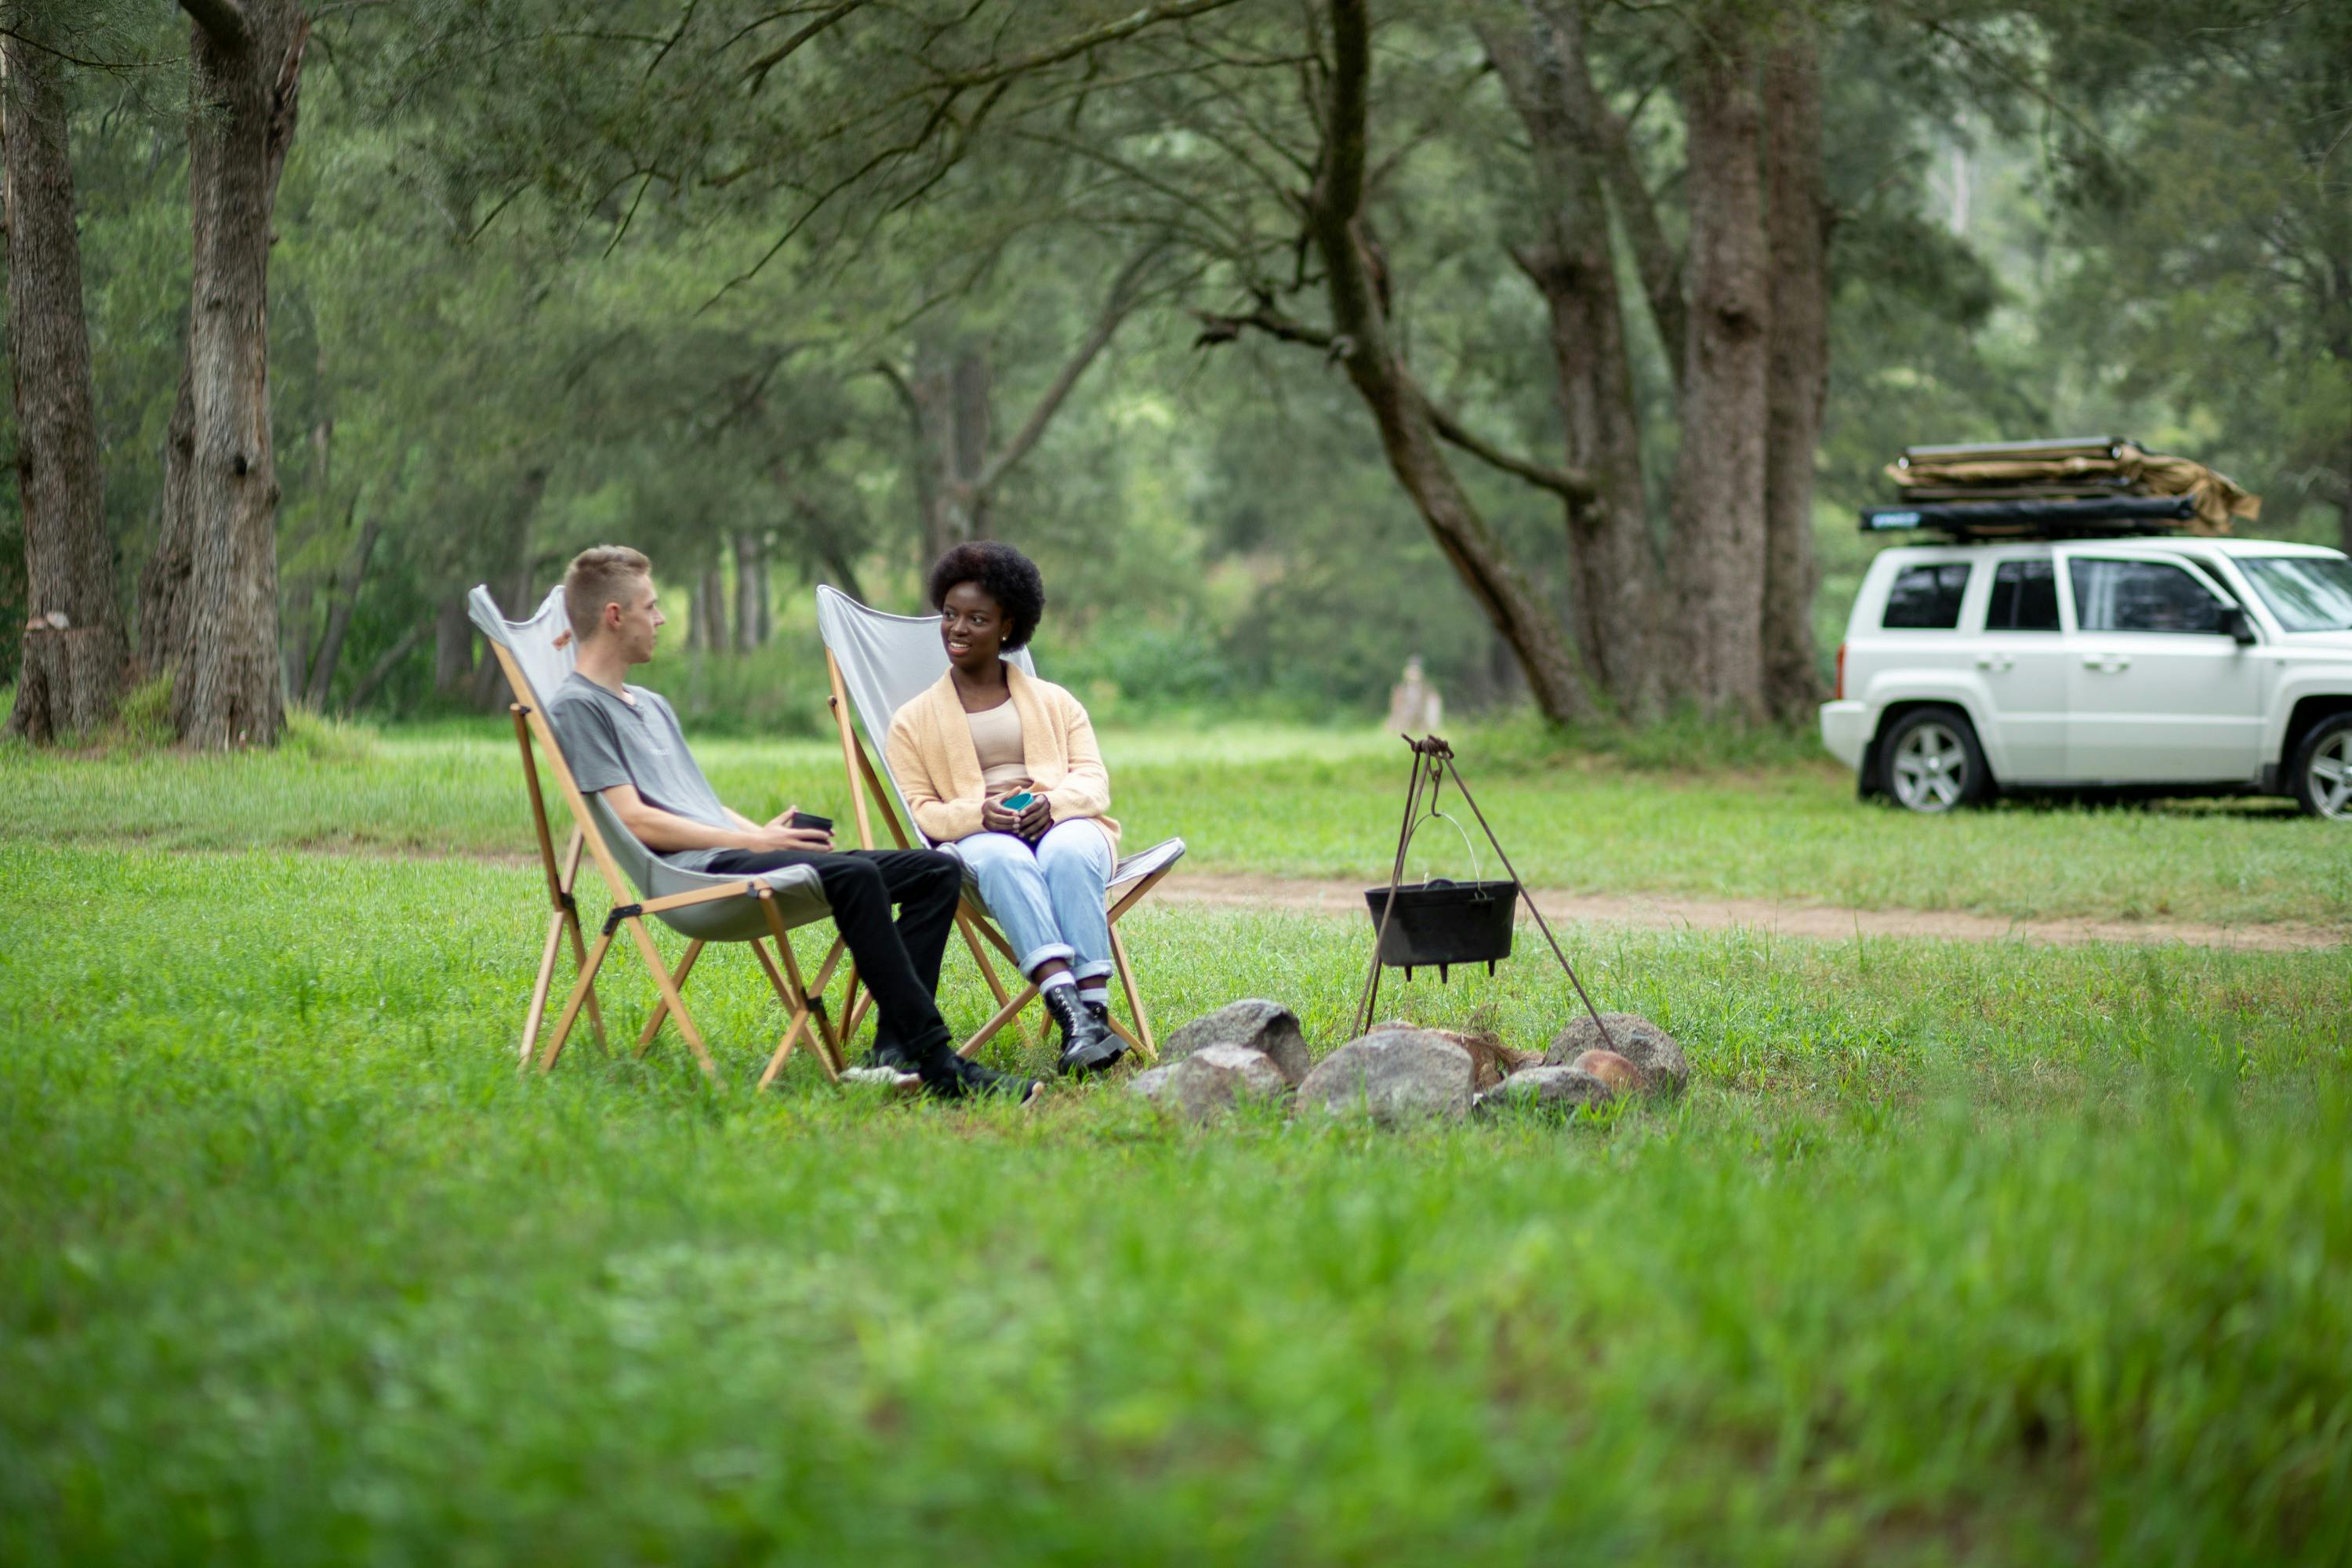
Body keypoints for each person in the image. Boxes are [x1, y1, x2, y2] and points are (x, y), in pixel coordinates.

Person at [545, 545, 1036, 1104]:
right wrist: (753, 841)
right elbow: (635, 819)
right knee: (855, 876)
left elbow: (690, 802)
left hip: (734, 852)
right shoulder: (577, 708)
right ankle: (941, 1063)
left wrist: (761, 830)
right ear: (614, 616)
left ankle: (893, 1053)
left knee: (933, 871)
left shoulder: (650, 703)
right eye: (651, 607)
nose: (659, 619)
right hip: (696, 879)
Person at [886, 541, 1127, 1077]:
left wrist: (1053, 803)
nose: (958, 628)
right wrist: (979, 813)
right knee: (1000, 858)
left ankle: (1092, 1011)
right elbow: (922, 811)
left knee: (1067, 850)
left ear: (1006, 626)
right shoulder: (911, 721)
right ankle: (1075, 1016)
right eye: (949, 615)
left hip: (1063, 823)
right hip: (982, 836)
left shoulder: (1057, 702)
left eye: (977, 618)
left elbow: (1092, 780)